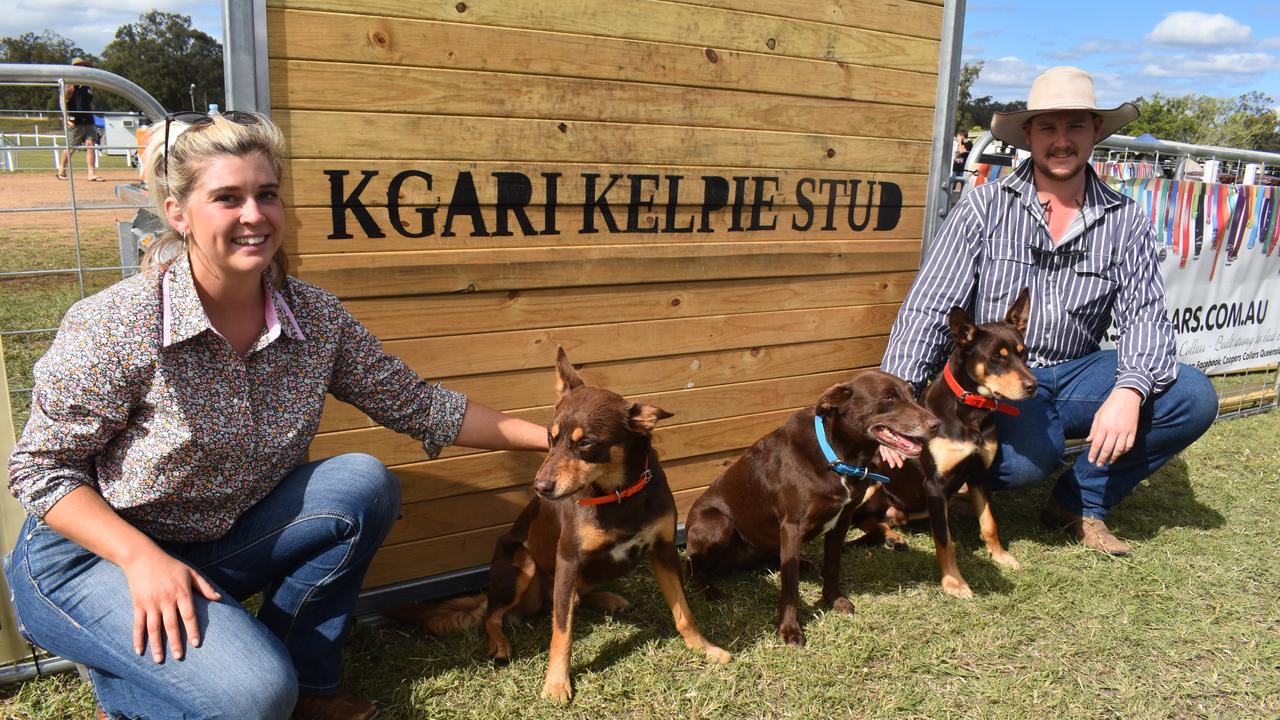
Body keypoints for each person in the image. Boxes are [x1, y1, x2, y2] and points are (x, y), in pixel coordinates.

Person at [6, 111, 549, 720]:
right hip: (92, 559)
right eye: (227, 198)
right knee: (256, 696)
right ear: (179, 213)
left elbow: (417, 404)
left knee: (362, 484)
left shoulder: (313, 316)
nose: (253, 215)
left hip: (214, 544)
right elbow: (40, 471)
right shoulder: (118, 323)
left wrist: (556, 440)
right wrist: (140, 558)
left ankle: (307, 687)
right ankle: (132, 691)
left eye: (266, 194)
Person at [879, 66, 1217, 556]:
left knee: (1192, 395)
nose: (1062, 140)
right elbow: (929, 307)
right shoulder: (983, 207)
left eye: (1075, 125)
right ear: (1029, 135)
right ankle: (990, 475)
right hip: (1000, 377)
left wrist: (1128, 391)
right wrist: (896, 409)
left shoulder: (1126, 220)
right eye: (1049, 127)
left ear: (1096, 131)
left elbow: (1146, 315)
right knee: (1022, 465)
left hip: (1079, 370)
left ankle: (1080, 501)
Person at [56, 57, 102, 182]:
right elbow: (62, 101)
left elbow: (89, 102)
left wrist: (94, 115)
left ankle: (91, 173)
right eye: (79, 66)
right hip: (75, 120)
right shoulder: (70, 84)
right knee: (71, 146)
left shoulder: (89, 85)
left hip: (88, 120)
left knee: (90, 145)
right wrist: (67, 118)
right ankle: (61, 170)